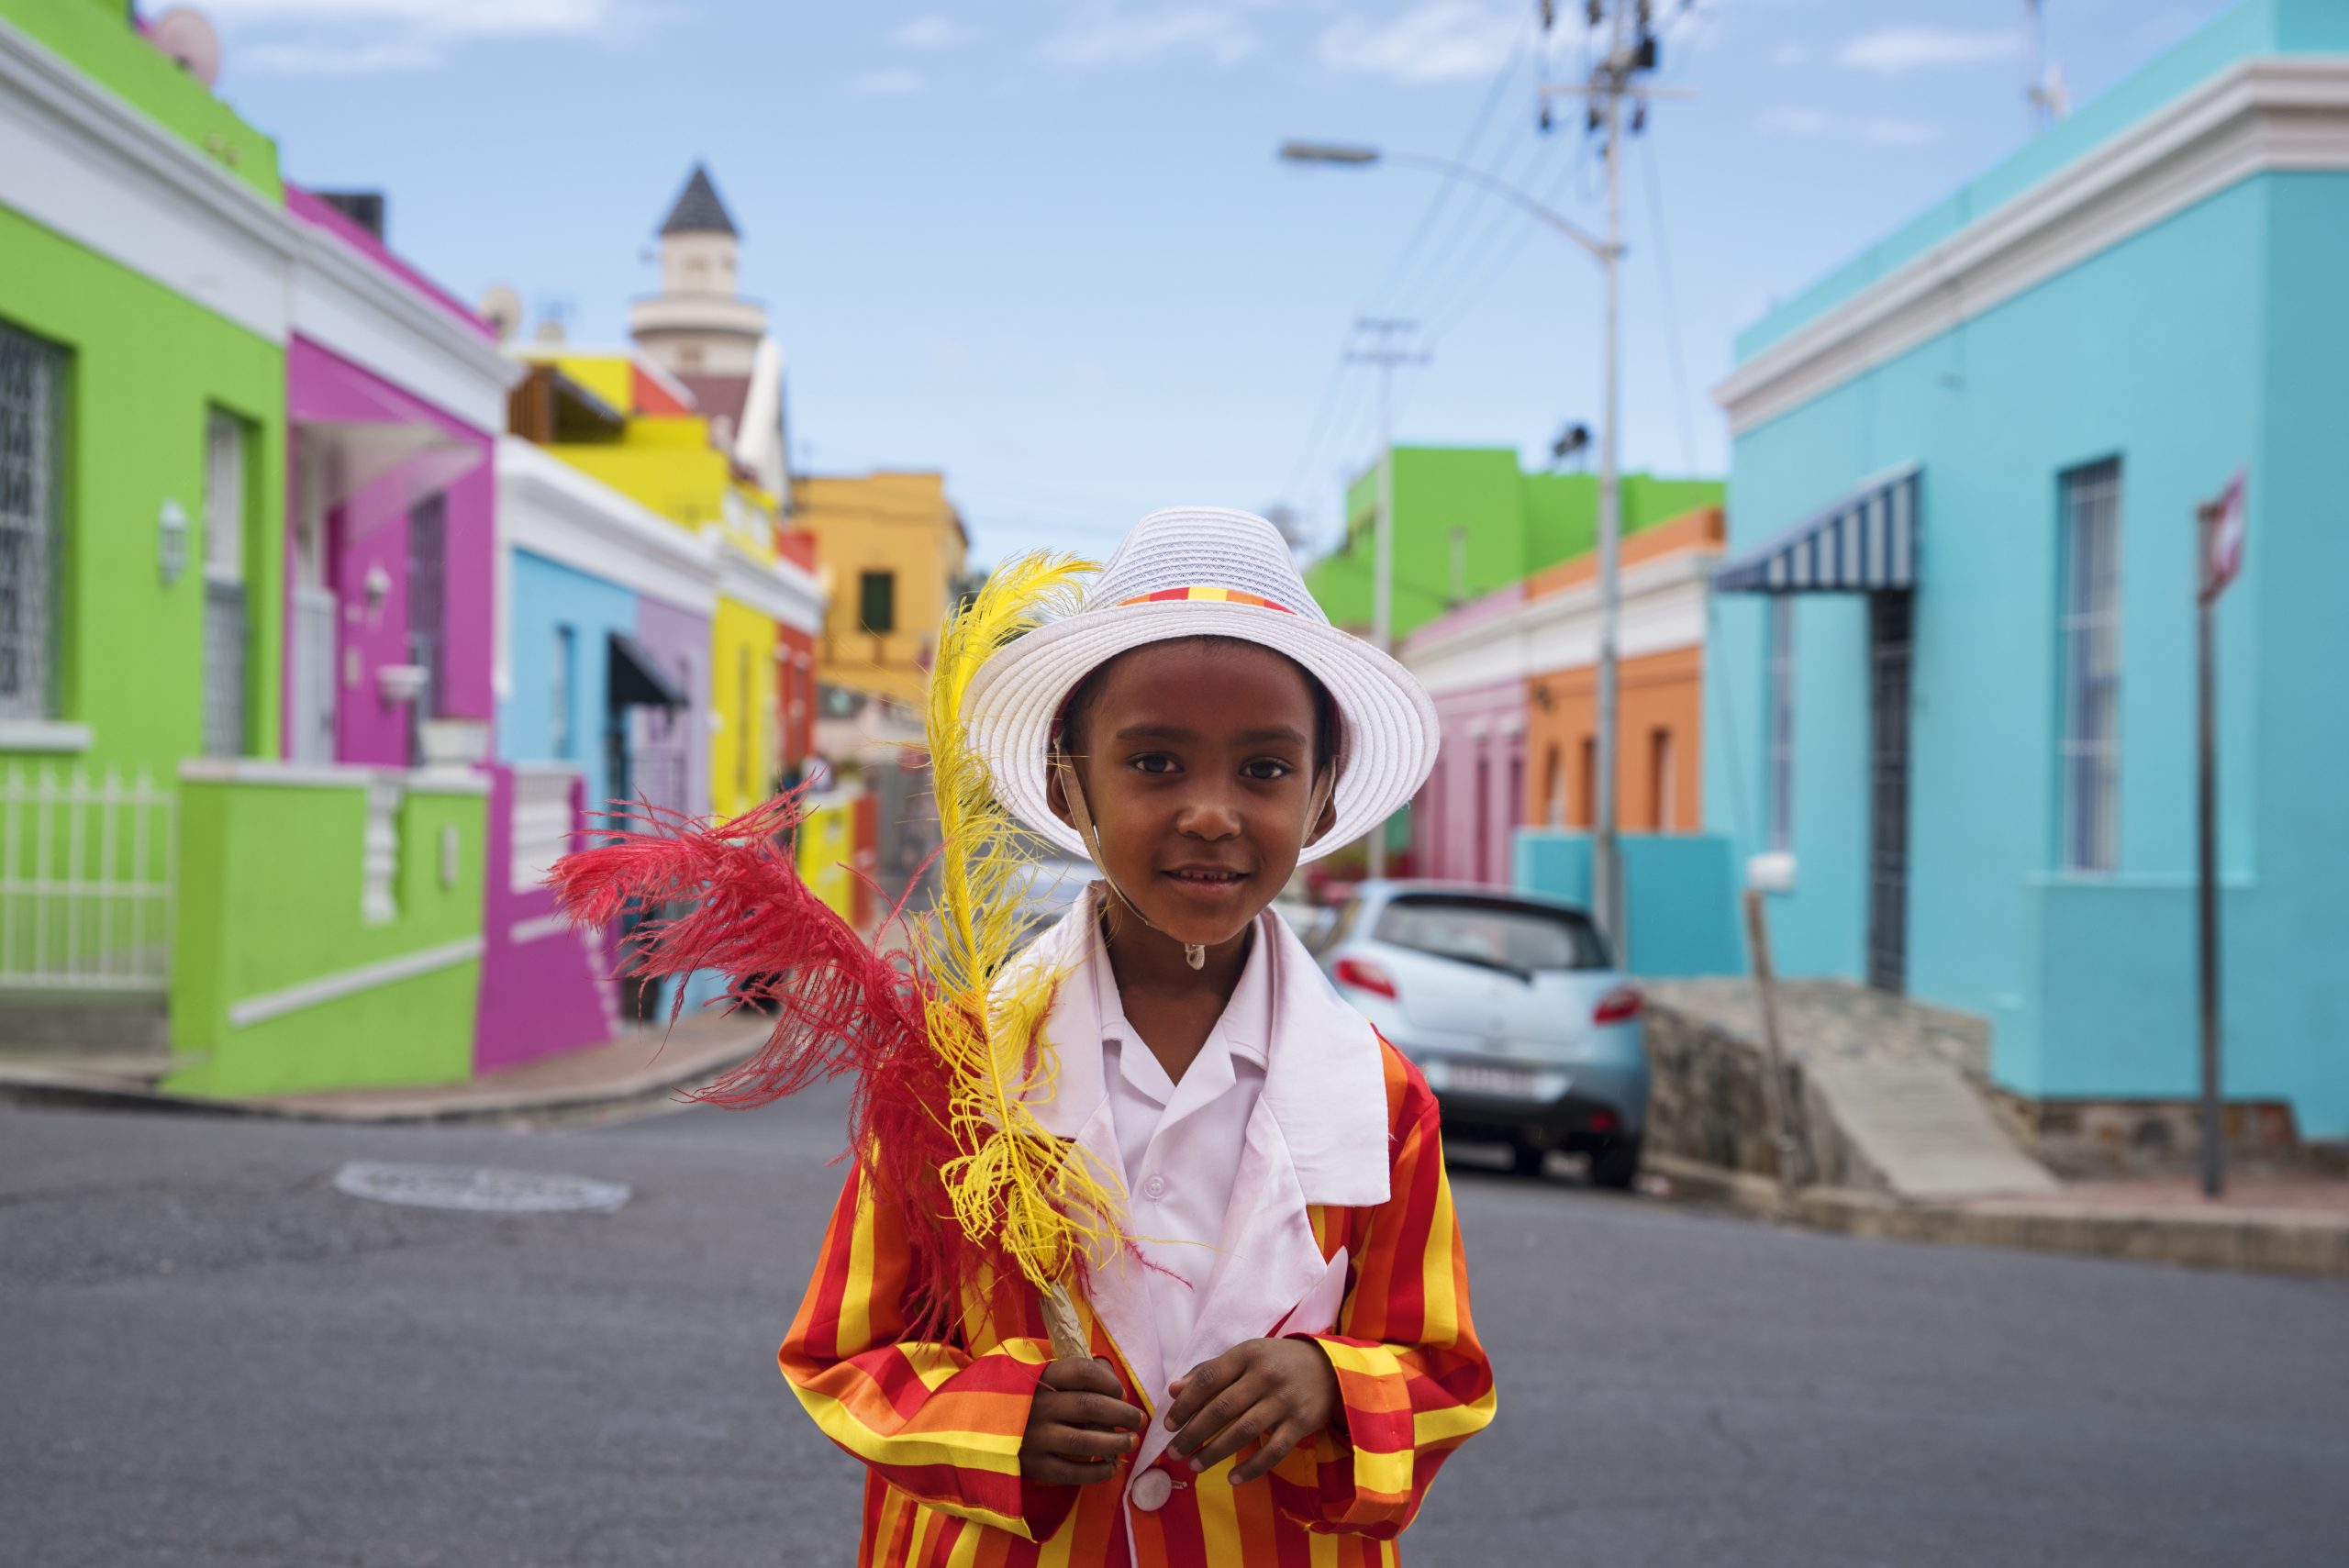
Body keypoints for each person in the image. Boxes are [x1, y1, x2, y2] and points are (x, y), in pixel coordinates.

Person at [780, 508, 1494, 1565]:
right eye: (1155, 762)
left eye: (1264, 770)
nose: (1211, 812)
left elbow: (1441, 1368)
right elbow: (845, 1352)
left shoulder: (1378, 1101)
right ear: (1070, 789)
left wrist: (1329, 1386)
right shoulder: (956, 1068)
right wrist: (995, 1415)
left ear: (1321, 794)